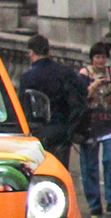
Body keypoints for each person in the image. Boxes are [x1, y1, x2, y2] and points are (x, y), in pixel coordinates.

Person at [15, 33, 86, 173]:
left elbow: (23, 106)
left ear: (31, 52)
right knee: (59, 171)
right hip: (63, 130)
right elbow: (82, 95)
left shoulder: (27, 78)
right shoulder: (66, 72)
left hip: (38, 132)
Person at [75, 40, 111, 217]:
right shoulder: (84, 74)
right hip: (90, 124)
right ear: (92, 58)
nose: (100, 60)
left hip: (108, 122)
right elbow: (80, 96)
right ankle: (94, 202)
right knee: (90, 166)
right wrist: (92, 87)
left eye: (103, 57)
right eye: (97, 57)